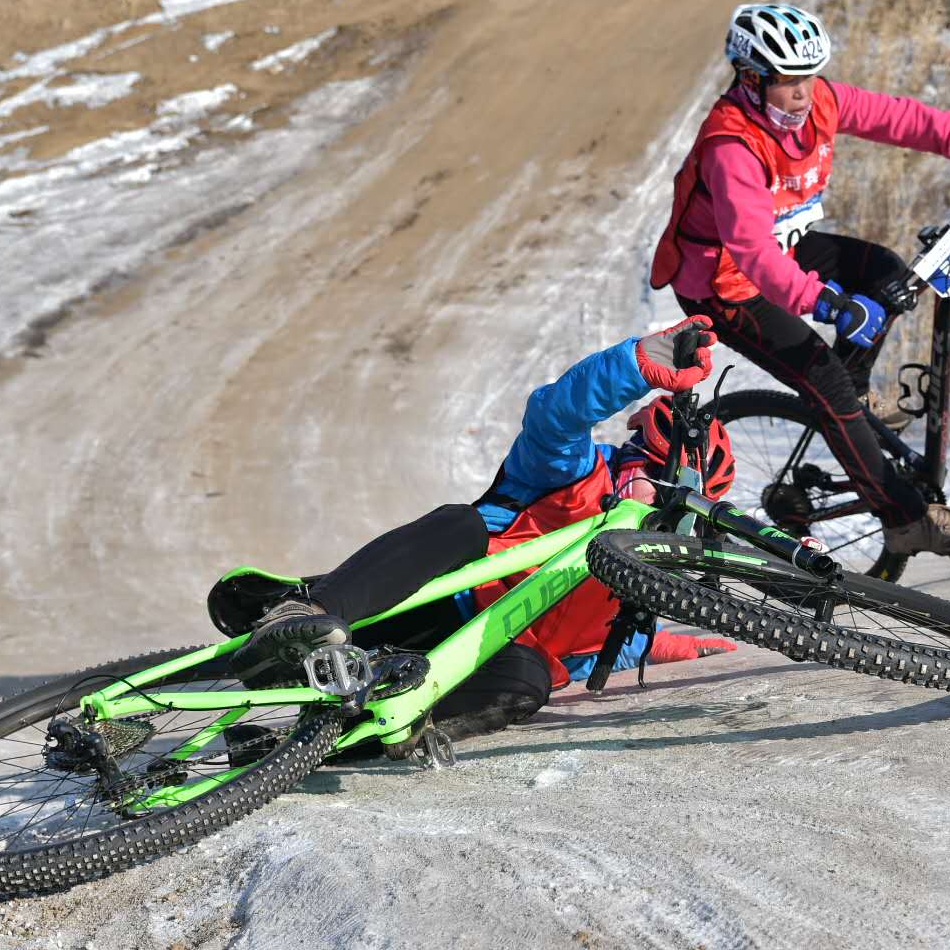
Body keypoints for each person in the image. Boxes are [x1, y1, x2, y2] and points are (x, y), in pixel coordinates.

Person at [650, 2, 950, 558]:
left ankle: (851, 401)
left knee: (885, 270)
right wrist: (827, 304)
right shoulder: (731, 146)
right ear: (752, 80)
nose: (803, 93)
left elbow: (899, 117)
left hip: (782, 245)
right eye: (788, 82)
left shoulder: (820, 103)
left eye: (808, 76)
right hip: (724, 281)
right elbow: (751, 251)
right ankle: (905, 518)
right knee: (824, 380)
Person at [231, 316, 739, 741]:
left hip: (477, 657)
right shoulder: (573, 476)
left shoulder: (651, 580)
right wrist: (635, 365)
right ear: (632, 459)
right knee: (460, 523)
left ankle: (303, 747)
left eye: (683, 506)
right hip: (433, 600)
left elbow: (599, 649)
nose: (659, 504)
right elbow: (555, 417)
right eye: (652, 482)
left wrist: (666, 644)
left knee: (529, 682)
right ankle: (306, 609)